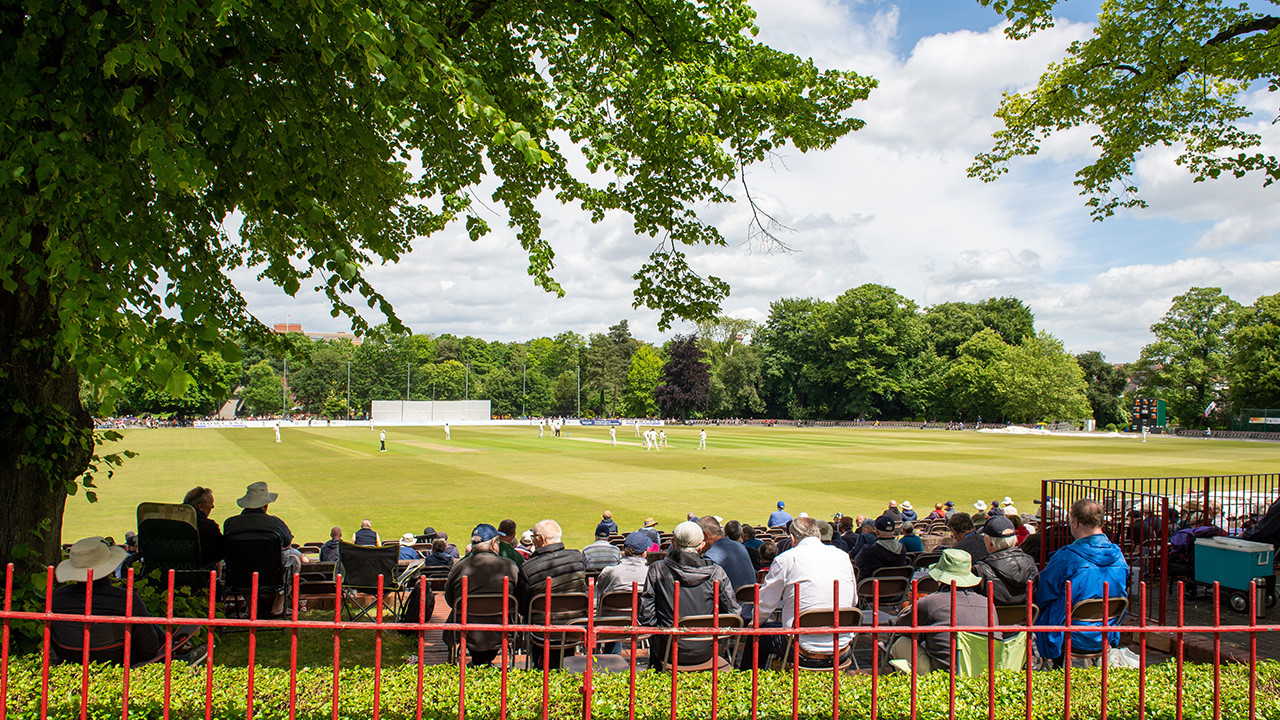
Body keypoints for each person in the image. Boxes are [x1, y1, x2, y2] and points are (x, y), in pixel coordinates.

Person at [52, 537, 202, 665]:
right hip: (122, 664)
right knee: (149, 625)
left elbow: (55, 642)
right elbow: (149, 650)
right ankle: (179, 655)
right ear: (109, 569)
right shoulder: (124, 599)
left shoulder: (57, 598)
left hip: (72, 662)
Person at [1034, 498, 1130, 665]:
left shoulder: (1067, 557)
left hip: (1070, 634)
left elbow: (1041, 594)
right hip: (1105, 631)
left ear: (1075, 523)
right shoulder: (1119, 557)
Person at [755, 517, 857, 668]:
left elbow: (764, 604)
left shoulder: (786, 559)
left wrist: (754, 622)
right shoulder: (842, 556)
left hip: (801, 648)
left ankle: (749, 681)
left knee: (757, 634)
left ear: (792, 539)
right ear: (819, 536)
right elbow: (853, 601)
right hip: (841, 646)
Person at [640, 521, 740, 670]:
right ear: (701, 545)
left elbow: (646, 617)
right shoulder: (716, 573)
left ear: (673, 543)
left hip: (668, 649)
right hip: (705, 649)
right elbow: (733, 614)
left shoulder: (657, 570)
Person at [889, 549, 993, 674]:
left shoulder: (931, 602)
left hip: (944, 674)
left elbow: (901, 629)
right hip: (982, 671)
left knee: (900, 643)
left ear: (940, 578)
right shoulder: (987, 604)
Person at [443, 524, 521, 666]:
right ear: (493, 544)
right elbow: (519, 596)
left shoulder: (459, 567)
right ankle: (483, 661)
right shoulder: (510, 566)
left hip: (467, 628)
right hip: (501, 628)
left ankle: (480, 662)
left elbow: (450, 598)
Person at [518, 519, 587, 668]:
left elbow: (523, 608)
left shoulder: (528, 568)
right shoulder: (579, 558)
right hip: (573, 628)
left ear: (541, 539)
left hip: (544, 632)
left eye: (534, 536)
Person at [972, 516, 1039, 606]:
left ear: (989, 541)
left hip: (993, 618)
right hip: (1024, 618)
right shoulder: (1030, 562)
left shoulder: (981, 570)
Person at [698, 516, 755, 589]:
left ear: (705, 535)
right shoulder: (740, 546)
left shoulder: (711, 557)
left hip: (732, 598)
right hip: (753, 597)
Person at [598, 532, 652, 597]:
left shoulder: (609, 571)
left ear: (624, 549)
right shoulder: (651, 573)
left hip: (614, 605)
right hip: (640, 606)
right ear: (644, 553)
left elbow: (599, 589)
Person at [182, 485, 224, 568]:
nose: (213, 507)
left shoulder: (171, 523)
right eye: (211, 504)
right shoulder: (209, 527)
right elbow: (220, 554)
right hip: (199, 576)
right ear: (200, 507)